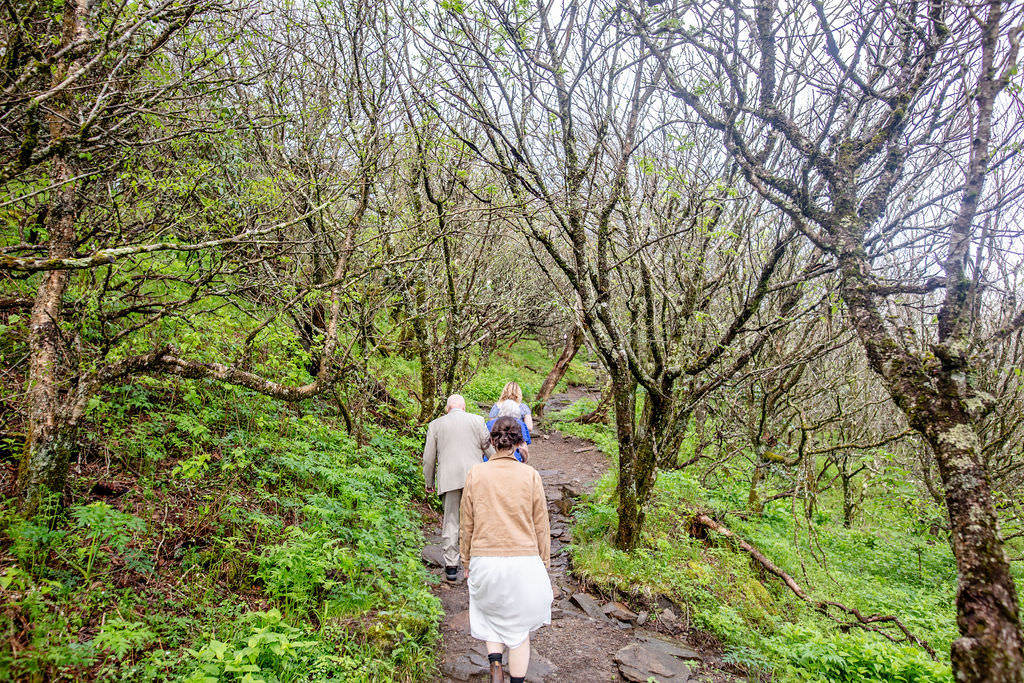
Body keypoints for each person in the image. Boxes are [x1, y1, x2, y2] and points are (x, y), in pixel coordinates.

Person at [460, 416, 552, 683]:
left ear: (492, 440)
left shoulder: (476, 473)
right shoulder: (531, 476)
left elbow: (467, 522)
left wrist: (466, 561)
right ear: (519, 442)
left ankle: (496, 666)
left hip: (484, 559)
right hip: (523, 560)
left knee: (489, 616)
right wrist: (544, 562)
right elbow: (541, 525)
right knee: (519, 629)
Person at [423, 394, 494, 582]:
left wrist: (429, 482)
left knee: (451, 520)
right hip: (475, 478)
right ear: (464, 407)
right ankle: (474, 561)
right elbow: (489, 450)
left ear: (448, 408)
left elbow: (429, 458)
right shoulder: (477, 420)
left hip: (448, 479)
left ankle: (452, 565)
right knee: (475, 519)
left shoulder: (436, 425)